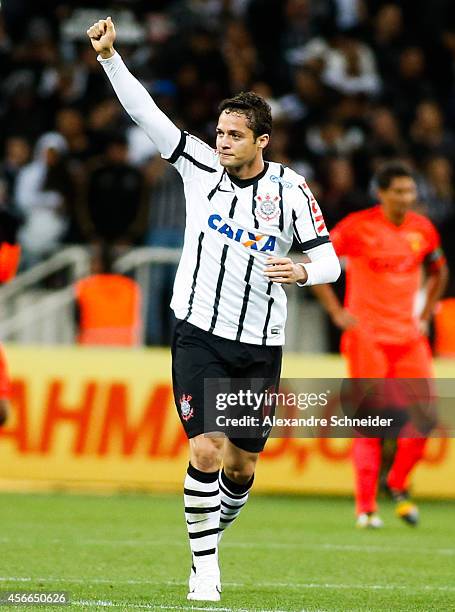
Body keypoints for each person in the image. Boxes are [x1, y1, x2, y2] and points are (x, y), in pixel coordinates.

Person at [87, 16, 340, 602]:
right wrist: (109, 59)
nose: (222, 141)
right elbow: (147, 114)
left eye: (234, 135)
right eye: (219, 131)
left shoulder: (292, 191)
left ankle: (207, 536)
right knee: (205, 446)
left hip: (259, 341)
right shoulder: (197, 165)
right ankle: (205, 566)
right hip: (198, 329)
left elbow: (330, 263)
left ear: (261, 141)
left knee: (242, 466)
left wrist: (302, 269)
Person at [313, 162, 448, 528]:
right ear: (382, 193)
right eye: (400, 191)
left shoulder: (423, 229)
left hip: (408, 338)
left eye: (411, 191)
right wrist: (337, 312)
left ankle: (398, 481)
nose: (407, 198)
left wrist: (426, 313)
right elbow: (319, 262)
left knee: (426, 420)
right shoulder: (358, 227)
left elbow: (439, 269)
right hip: (367, 337)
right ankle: (366, 507)